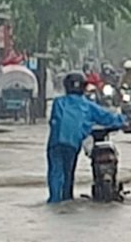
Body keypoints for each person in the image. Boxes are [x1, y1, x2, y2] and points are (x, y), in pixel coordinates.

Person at [47, 72, 125, 204]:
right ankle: (67, 199)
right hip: (72, 144)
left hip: (55, 143)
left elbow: (54, 121)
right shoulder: (87, 105)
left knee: (55, 172)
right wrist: (123, 120)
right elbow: (107, 117)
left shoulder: (58, 103)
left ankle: (54, 201)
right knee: (68, 173)